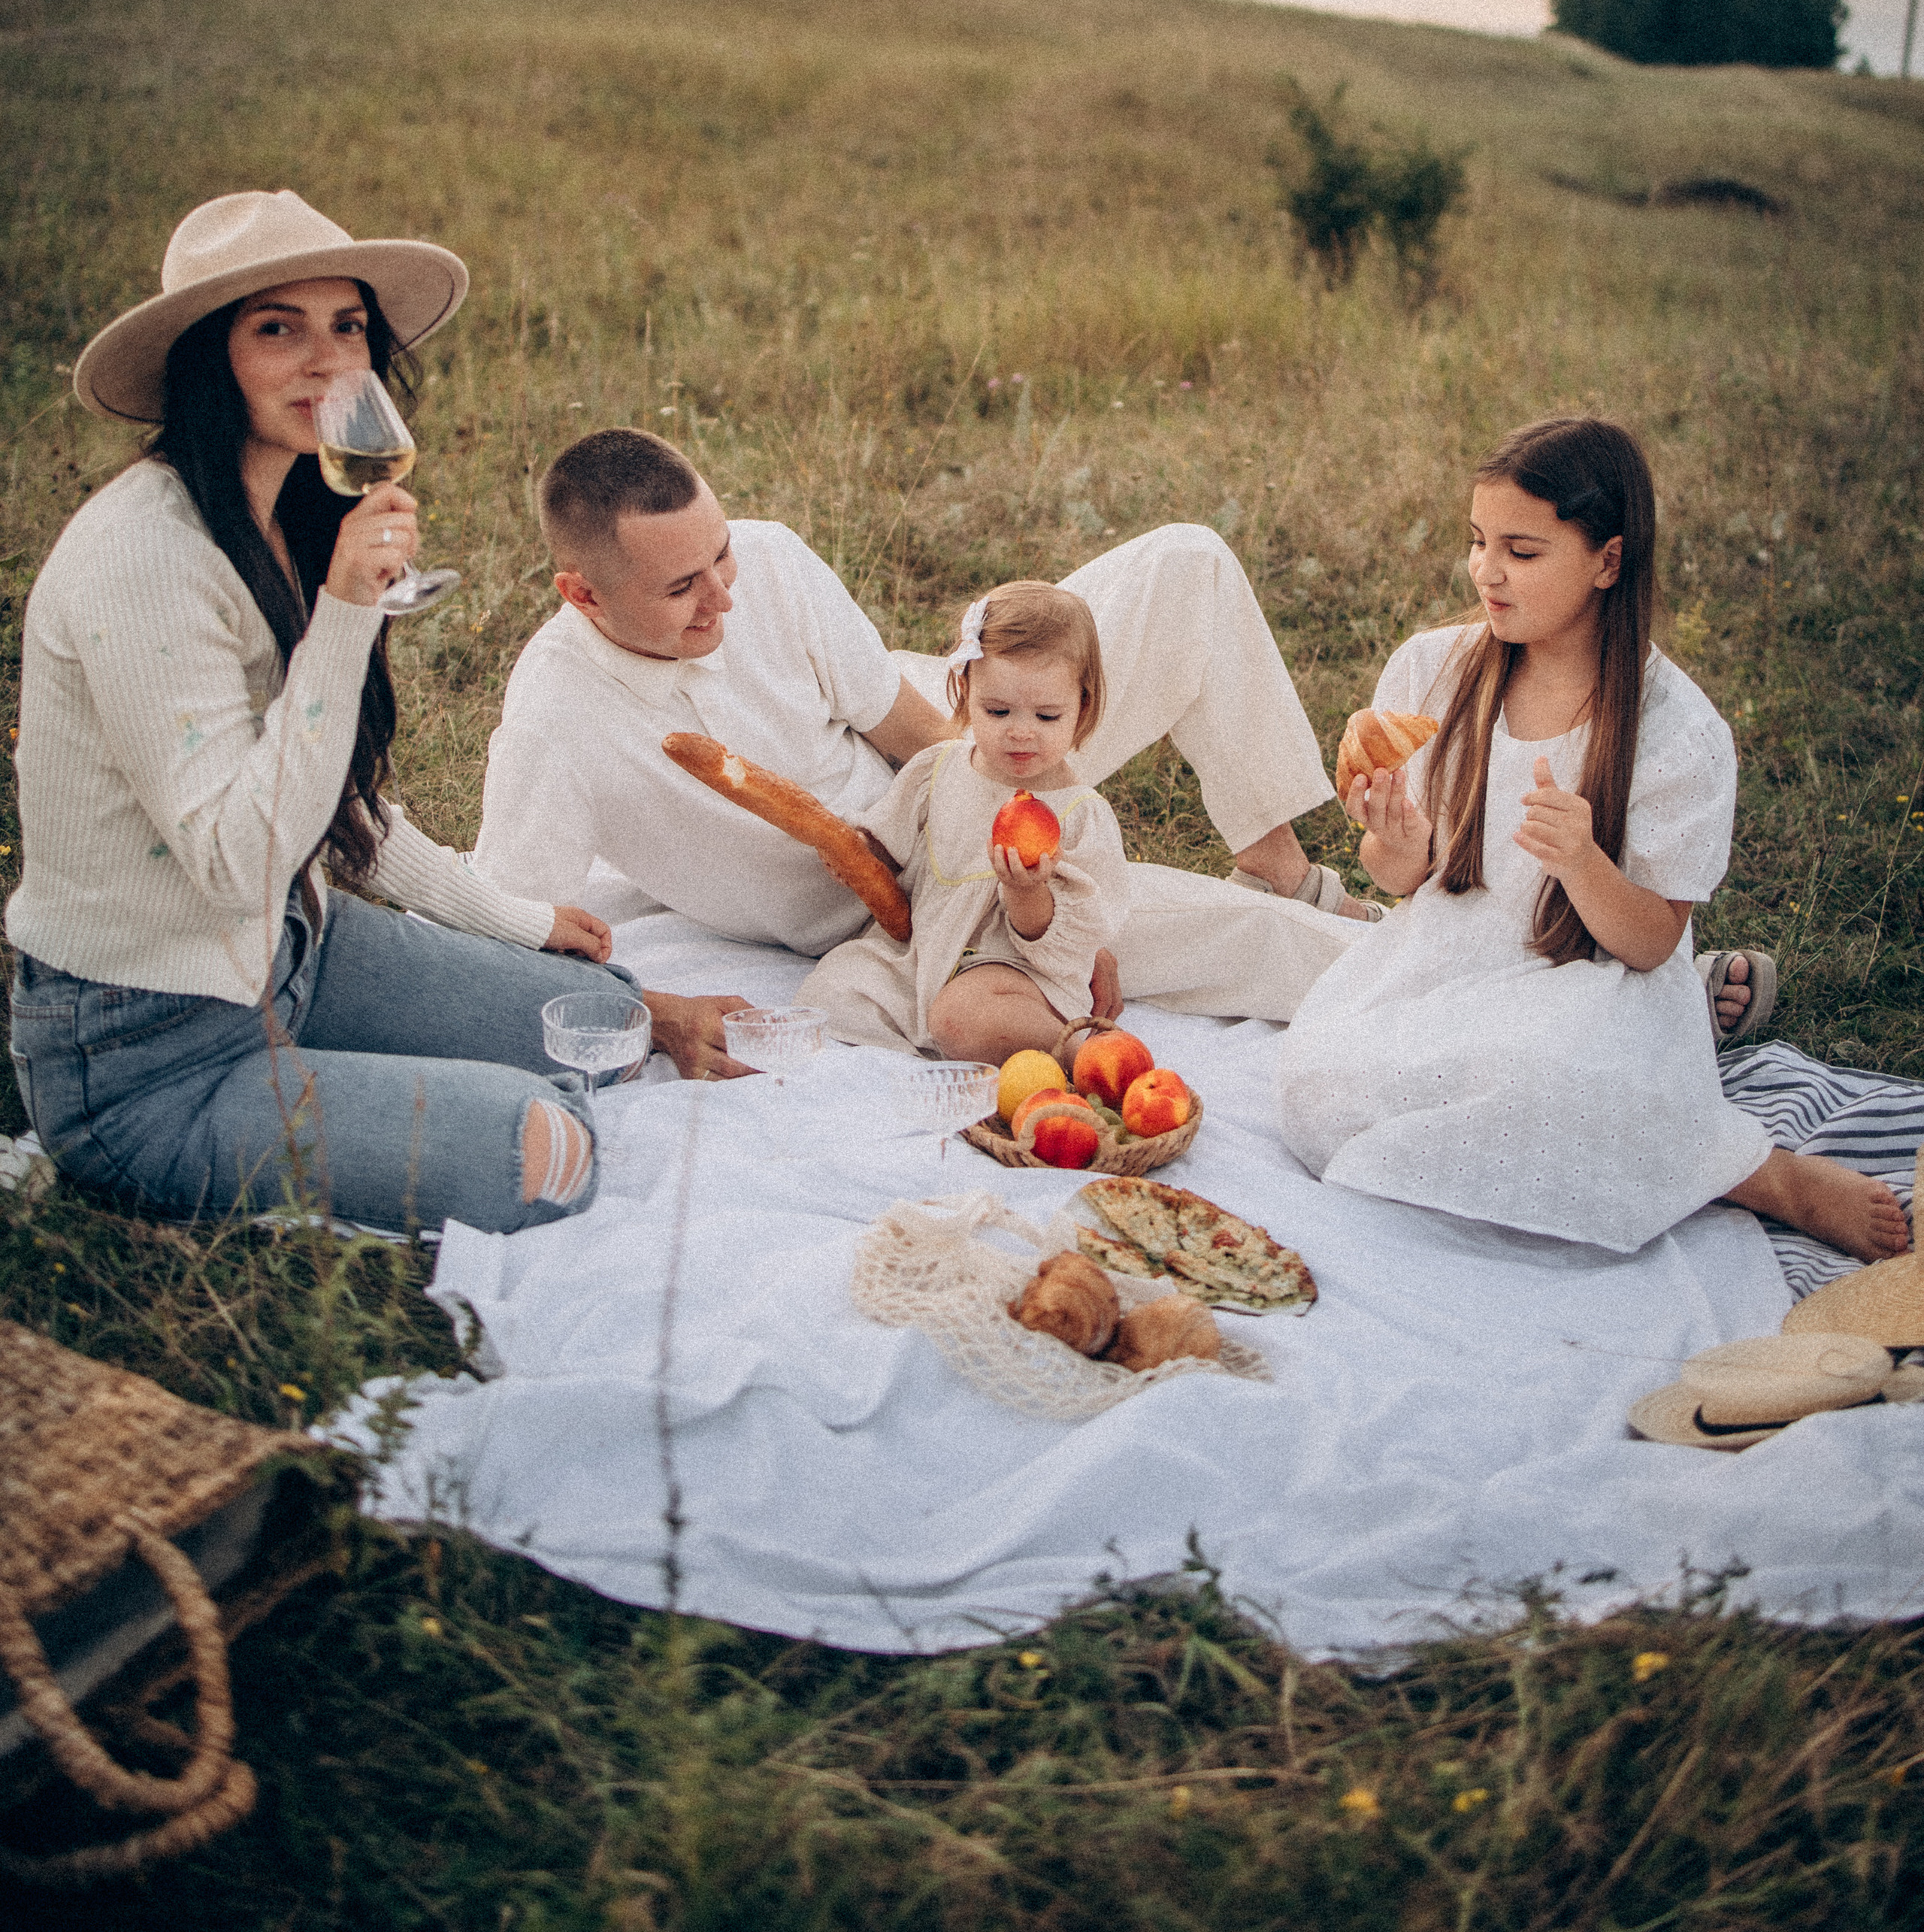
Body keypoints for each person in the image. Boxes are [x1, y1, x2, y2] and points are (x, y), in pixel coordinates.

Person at [5, 191, 745, 1234]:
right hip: (143, 1050)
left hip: (293, 956)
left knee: (608, 1017)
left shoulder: (286, 514)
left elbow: (333, 801)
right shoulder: (144, 560)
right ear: (208, 359)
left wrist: (513, 923)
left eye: (346, 327)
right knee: (542, 1148)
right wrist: (349, 612)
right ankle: (254, 1127)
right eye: (278, 329)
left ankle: (343, 1077)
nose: (326, 361)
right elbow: (238, 862)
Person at [473, 428, 1378, 1026]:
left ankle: (1279, 866)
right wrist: (661, 1017)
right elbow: (507, 928)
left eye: (721, 555)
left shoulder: (774, 560)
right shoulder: (556, 720)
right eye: (683, 588)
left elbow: (902, 723)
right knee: (1269, 951)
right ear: (581, 593)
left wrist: (1015, 789)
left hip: (964, 759)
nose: (725, 595)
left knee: (1186, 563)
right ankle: (1426, 980)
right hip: (908, 908)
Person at [1273, 416, 1910, 1261]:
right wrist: (1395, 840)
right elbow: (1401, 880)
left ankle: (1760, 1174)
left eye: (1522, 552)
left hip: (1589, 978)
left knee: (1546, 1082)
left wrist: (1581, 861)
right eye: (1476, 542)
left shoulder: (1675, 732)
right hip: (1447, 959)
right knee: (1314, 1090)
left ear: (1607, 560)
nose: (1485, 572)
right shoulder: (1430, 672)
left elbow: (1649, 942)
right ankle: (1654, 1109)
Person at [797, 583, 1130, 1060]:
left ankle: (1081, 1053)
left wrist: (1026, 892)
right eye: (997, 711)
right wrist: (859, 853)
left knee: (964, 1017)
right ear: (965, 692)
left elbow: (1071, 939)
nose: (1020, 731)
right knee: (829, 992)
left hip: (1013, 972)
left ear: (1083, 707)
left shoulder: (1079, 815)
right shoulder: (939, 769)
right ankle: (926, 1042)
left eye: (1047, 716)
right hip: (924, 955)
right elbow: (888, 843)